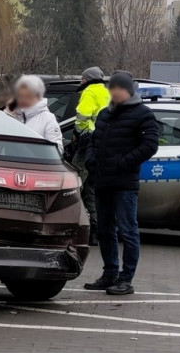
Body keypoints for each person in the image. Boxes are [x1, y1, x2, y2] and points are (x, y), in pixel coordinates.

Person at [84, 70, 159, 296]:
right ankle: (110, 274)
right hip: (102, 180)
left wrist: (123, 162)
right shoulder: (105, 115)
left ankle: (126, 279)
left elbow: (150, 145)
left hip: (124, 183)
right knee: (105, 231)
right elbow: (93, 141)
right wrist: (91, 160)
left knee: (128, 231)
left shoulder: (143, 114)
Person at [70, 66, 110, 246]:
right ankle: (101, 229)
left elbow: (82, 116)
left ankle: (78, 225)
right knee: (93, 188)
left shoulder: (89, 92)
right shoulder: (107, 92)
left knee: (74, 182)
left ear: (88, 80)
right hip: (105, 144)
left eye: (82, 79)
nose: (81, 82)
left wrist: (77, 133)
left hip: (88, 141)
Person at [5, 75, 63, 152]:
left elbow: (57, 151)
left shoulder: (48, 119)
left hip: (35, 163)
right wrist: (8, 116)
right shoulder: (11, 115)